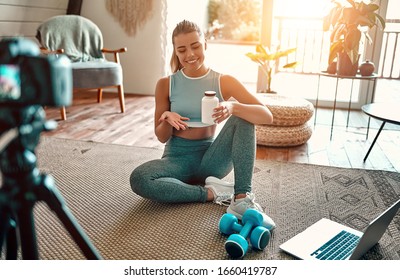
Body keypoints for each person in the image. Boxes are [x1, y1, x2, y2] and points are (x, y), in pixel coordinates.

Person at [130, 19, 275, 230]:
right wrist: (167, 117)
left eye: (195, 46)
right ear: (176, 52)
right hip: (176, 159)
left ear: (205, 44)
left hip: (212, 160)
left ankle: (241, 198)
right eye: (182, 49)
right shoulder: (165, 85)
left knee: (244, 117)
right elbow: (161, 136)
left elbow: (266, 115)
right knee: (139, 178)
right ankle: (211, 193)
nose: (190, 54)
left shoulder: (223, 81)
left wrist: (233, 108)